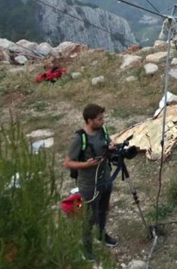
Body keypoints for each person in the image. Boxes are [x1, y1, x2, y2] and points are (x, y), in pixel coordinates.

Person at [64, 103, 118, 259]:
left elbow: (107, 141)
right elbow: (68, 162)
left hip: (105, 178)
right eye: (99, 119)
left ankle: (101, 235)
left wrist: (112, 145)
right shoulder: (79, 138)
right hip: (89, 184)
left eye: (103, 118)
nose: (103, 121)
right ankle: (86, 247)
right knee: (90, 217)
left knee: (103, 210)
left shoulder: (103, 130)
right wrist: (85, 165)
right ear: (89, 120)